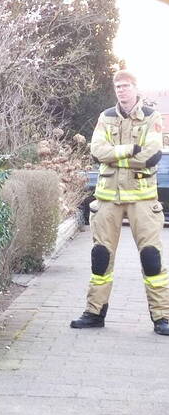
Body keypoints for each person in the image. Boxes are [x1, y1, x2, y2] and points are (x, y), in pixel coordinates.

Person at [70, 69, 168, 335]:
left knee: (152, 258)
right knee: (100, 258)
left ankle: (162, 317)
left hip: (143, 199)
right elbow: (97, 151)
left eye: (126, 86)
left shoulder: (151, 117)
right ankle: (94, 312)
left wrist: (114, 155)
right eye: (117, 86)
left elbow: (151, 155)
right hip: (108, 198)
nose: (121, 90)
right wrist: (128, 151)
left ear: (136, 88)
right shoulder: (106, 117)